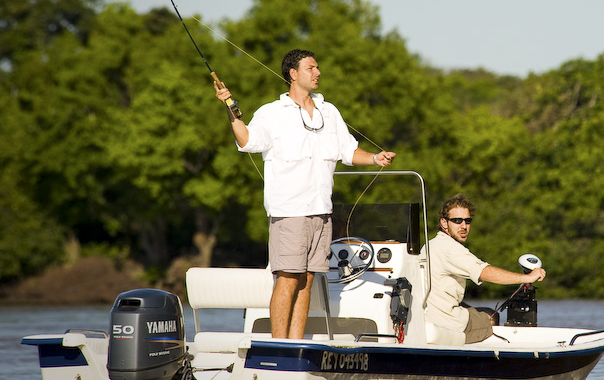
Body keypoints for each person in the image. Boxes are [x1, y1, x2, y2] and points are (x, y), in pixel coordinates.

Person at [213, 48, 396, 339]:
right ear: (293, 74)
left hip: (321, 212)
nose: (318, 73)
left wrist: (375, 158)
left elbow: (348, 151)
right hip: (289, 211)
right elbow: (247, 141)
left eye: (318, 67)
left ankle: (296, 342)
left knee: (308, 281)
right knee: (287, 279)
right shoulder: (272, 113)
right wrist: (229, 108)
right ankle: (279, 344)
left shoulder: (330, 111)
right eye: (311, 68)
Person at [424, 193, 546, 345]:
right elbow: (484, 272)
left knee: (471, 308)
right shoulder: (451, 249)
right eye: (457, 221)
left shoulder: (429, 245)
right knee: (490, 316)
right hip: (447, 322)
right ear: (444, 223)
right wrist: (527, 278)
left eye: (467, 221)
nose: (463, 226)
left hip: (426, 317)